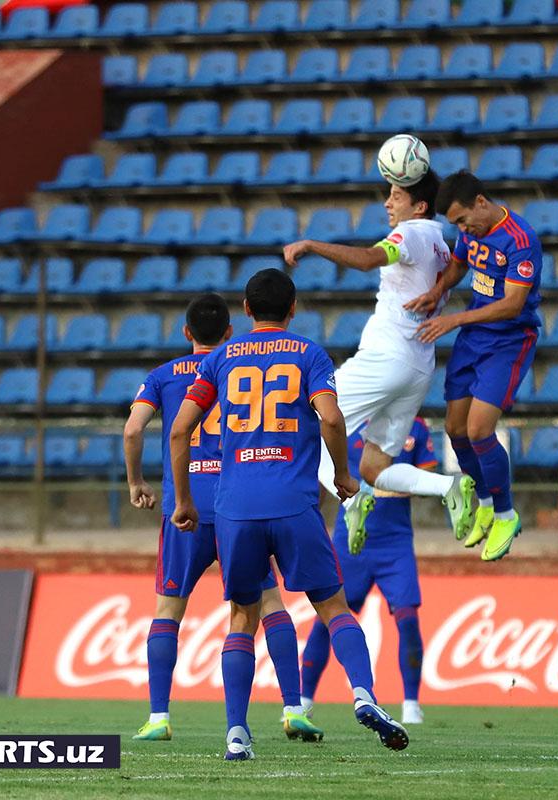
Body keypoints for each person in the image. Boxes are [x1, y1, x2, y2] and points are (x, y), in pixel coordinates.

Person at [169, 269, 408, 761]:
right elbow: (334, 418)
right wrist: (343, 475)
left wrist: (184, 500)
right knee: (333, 607)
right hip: (294, 505)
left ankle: (237, 733)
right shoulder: (309, 355)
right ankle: (364, 694)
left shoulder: (217, 360)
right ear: (294, 308)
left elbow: (178, 432)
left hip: (235, 509)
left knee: (241, 617)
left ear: (247, 309)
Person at [123, 293, 320, 744]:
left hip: (184, 507)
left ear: (186, 333)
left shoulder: (162, 376)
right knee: (267, 604)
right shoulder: (238, 364)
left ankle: (158, 717)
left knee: (169, 610)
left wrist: (136, 483)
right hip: (238, 506)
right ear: (230, 331)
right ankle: (293, 707)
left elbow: (133, 429)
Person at [282, 172, 476, 554]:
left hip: (385, 358)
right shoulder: (439, 240)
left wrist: (311, 244)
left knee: (302, 424)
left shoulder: (411, 234)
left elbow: (370, 259)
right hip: (418, 366)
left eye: (396, 196)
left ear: (419, 206)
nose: (388, 203)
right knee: (374, 467)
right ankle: (449, 486)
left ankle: (351, 501)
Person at [405, 171, 544, 562]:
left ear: (480, 202)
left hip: (509, 340)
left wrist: (453, 319)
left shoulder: (520, 239)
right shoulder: (472, 231)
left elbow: (514, 303)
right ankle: (484, 499)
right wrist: (438, 292)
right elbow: (460, 264)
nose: (462, 230)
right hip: (475, 334)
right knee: (454, 429)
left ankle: (505, 513)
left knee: (480, 429)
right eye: (456, 225)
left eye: (464, 220)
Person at [299, 418, 437, 726]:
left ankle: (412, 703)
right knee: (328, 618)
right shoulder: (347, 419)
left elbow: (426, 474)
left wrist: (390, 486)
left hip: (396, 541)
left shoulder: (413, 425)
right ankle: (304, 698)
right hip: (349, 540)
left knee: (408, 618)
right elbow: (325, 472)